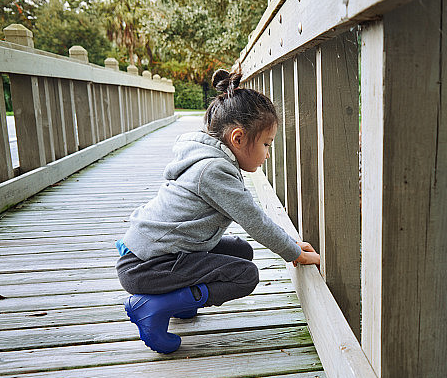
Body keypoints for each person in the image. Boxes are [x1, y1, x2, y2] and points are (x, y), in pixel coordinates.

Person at [115, 69, 320, 354]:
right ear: (238, 138)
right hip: (147, 268)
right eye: (266, 144)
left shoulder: (208, 157)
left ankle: (179, 302)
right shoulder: (213, 170)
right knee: (245, 275)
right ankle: (153, 305)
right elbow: (255, 221)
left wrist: (291, 244)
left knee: (240, 251)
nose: (267, 154)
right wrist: (294, 252)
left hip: (153, 256)